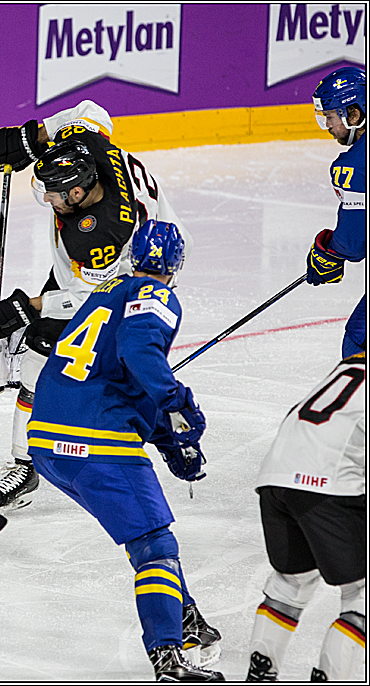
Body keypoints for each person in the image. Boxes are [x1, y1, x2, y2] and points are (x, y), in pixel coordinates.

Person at [25, 220, 223, 681]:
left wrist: (166, 437)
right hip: (96, 442)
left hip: (48, 442)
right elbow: (139, 354)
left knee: (143, 533)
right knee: (156, 544)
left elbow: (121, 375)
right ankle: (168, 657)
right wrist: (176, 404)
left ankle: (183, 616)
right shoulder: (155, 295)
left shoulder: (105, 292)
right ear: (175, 267)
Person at [0, 100, 193, 510]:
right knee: (41, 346)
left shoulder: (99, 236)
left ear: (78, 192)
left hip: (134, 273)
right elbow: (91, 112)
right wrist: (33, 137)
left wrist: (25, 308)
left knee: (50, 353)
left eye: (54, 196)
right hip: (122, 254)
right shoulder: (88, 144)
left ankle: (33, 460)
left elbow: (84, 297)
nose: (49, 202)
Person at [245, 351, 365, 682]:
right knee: (362, 592)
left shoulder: (348, 366)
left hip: (274, 478)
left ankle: (261, 673)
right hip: (327, 484)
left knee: (291, 582)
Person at [305, 66, 366, 359]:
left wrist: (328, 250)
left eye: (330, 117)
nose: (327, 125)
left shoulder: (354, 165)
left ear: (354, 115)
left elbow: (354, 243)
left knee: (358, 343)